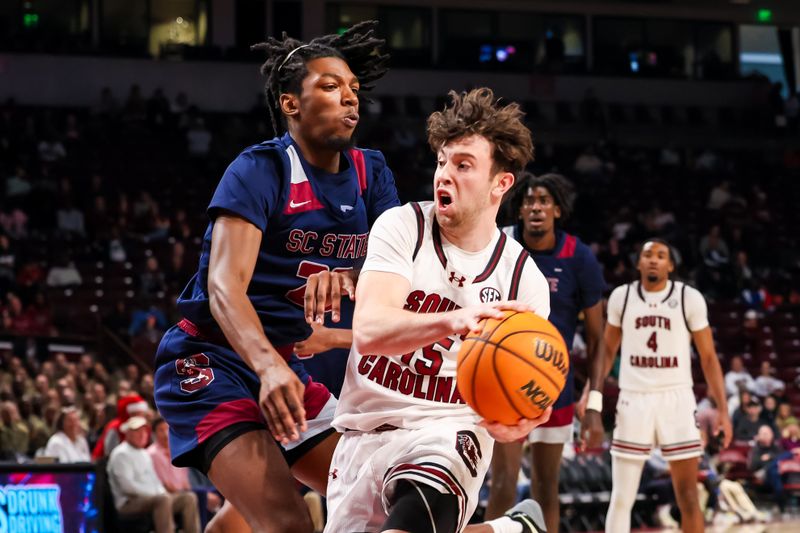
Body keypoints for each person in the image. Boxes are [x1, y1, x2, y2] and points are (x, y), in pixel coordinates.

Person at [153, 21, 400, 533]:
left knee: (379, 504)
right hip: (213, 360)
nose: (350, 99)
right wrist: (267, 368)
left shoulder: (371, 172)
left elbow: (396, 271)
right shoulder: (259, 170)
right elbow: (224, 286)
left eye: (354, 88)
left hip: (288, 366)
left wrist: (351, 276)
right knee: (289, 523)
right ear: (291, 103)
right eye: (331, 87)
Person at [323, 88, 552, 533]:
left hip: (447, 435)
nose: (444, 174)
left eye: (463, 165)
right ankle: (510, 530)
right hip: (361, 433)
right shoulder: (402, 226)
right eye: (442, 161)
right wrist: (454, 319)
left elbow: (525, 393)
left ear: (500, 184)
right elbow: (369, 329)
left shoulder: (524, 279)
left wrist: (523, 415)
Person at [488, 172, 606, 530]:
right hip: (504, 380)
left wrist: (595, 399)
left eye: (543, 201)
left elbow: (599, 337)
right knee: (504, 483)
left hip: (556, 383)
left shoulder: (578, 256)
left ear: (558, 209)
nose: (535, 207)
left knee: (545, 487)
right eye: (528, 201)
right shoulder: (500, 243)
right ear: (519, 209)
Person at [602, 239, 732, 533]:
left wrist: (722, 410)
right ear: (638, 263)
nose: (653, 260)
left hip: (677, 399)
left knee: (688, 496)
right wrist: (592, 396)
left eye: (661, 256)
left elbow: (709, 358)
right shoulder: (621, 297)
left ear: (670, 266)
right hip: (633, 398)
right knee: (622, 497)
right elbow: (607, 352)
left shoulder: (689, 298)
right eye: (647, 254)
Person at [107, 416, 201, 533]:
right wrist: (156, 494)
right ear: (128, 433)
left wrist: (161, 492)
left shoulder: (143, 453)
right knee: (163, 499)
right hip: (129, 502)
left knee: (189, 497)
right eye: (137, 431)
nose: (142, 434)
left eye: (144, 431)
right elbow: (128, 487)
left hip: (152, 497)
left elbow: (155, 481)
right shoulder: (121, 454)